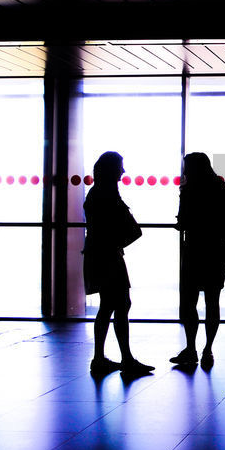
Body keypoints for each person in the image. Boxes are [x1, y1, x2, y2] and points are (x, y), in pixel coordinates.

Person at [83, 151, 152, 377]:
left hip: (100, 255)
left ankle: (101, 357)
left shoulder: (96, 194)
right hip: (109, 257)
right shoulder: (108, 196)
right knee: (120, 305)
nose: (123, 171)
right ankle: (125, 359)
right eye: (120, 167)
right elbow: (129, 229)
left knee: (108, 306)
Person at [171, 152, 225, 368]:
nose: (184, 171)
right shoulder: (221, 187)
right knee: (212, 301)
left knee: (190, 302)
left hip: (194, 249)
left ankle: (191, 348)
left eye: (186, 167)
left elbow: (183, 221)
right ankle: (208, 349)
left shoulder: (189, 190)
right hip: (217, 251)